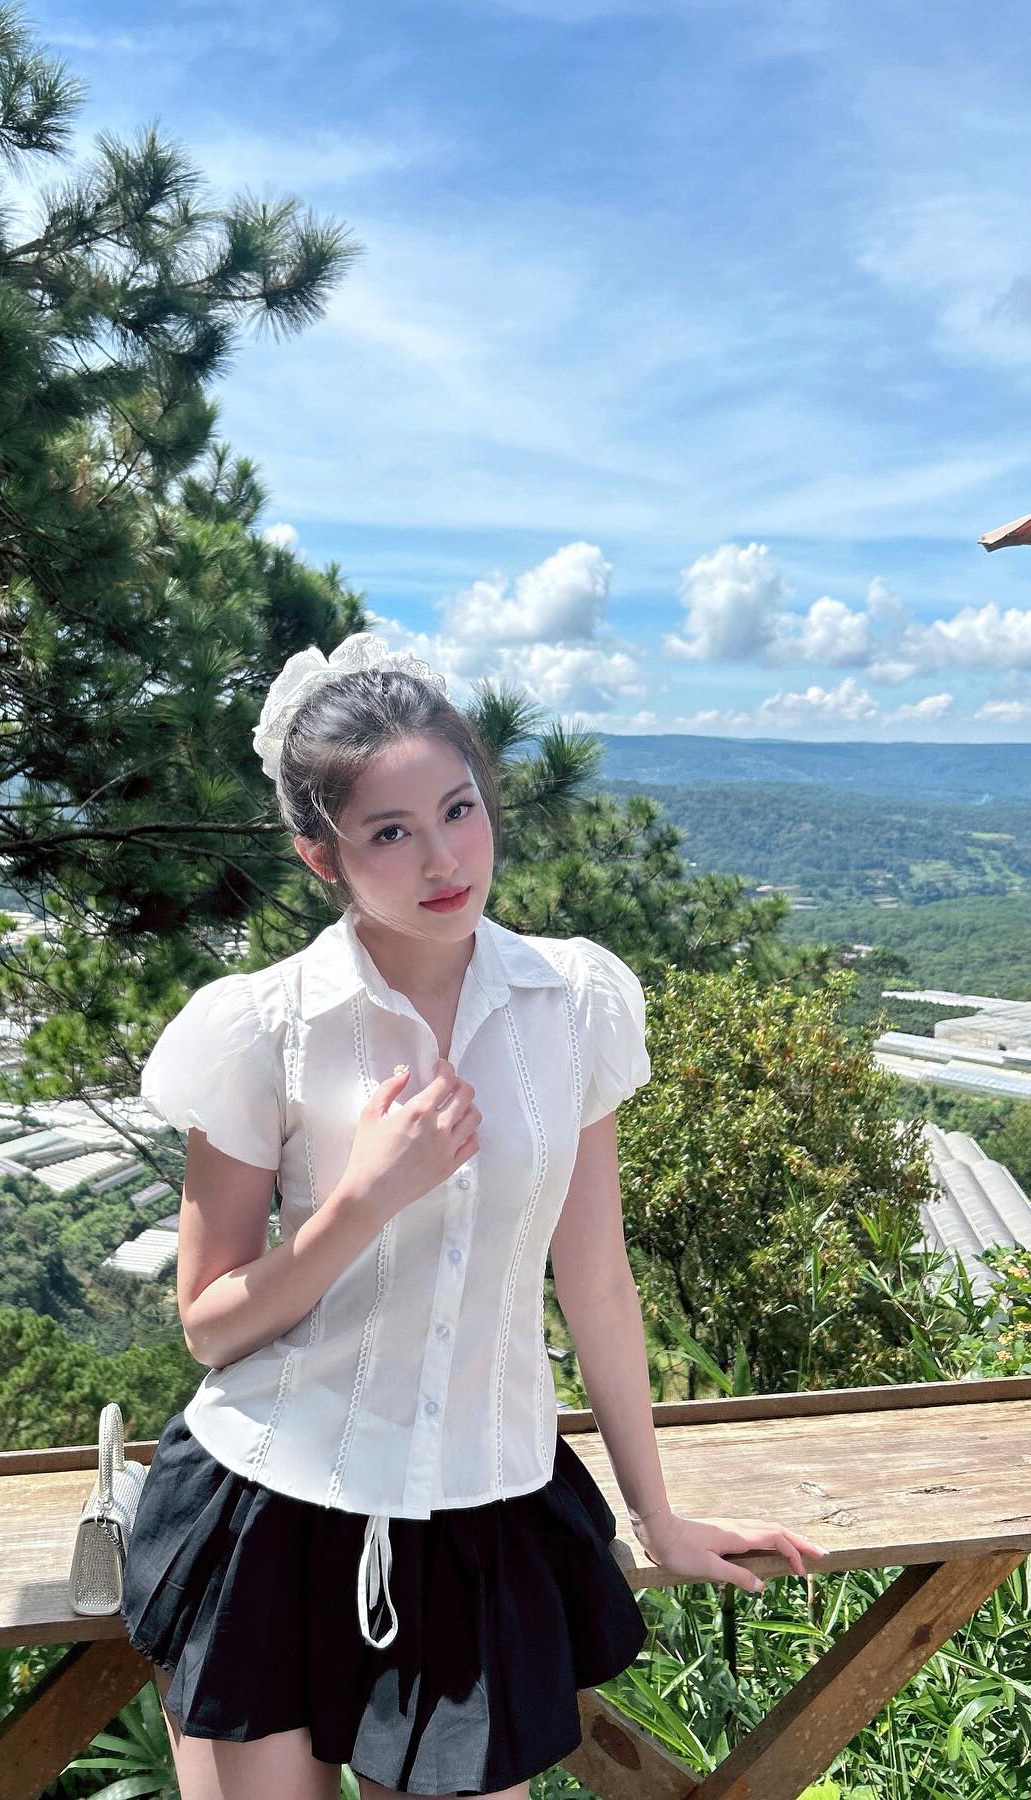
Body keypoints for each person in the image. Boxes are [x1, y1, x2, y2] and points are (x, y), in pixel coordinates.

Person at [120, 631, 826, 1800]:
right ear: (319, 856)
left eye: (459, 810)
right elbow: (210, 1325)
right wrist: (363, 1198)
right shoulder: (263, 1030)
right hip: (270, 1507)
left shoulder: (573, 1001)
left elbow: (595, 1280)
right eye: (390, 833)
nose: (443, 859)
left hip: (481, 1511)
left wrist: (657, 1517)